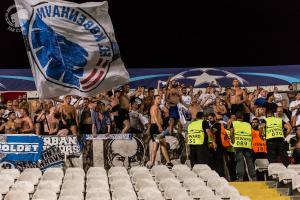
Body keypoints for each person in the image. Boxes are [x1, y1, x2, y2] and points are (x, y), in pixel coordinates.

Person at [147, 95, 173, 169]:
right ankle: (153, 163)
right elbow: (155, 117)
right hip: (156, 127)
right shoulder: (154, 107)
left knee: (160, 145)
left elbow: (166, 112)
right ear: (154, 100)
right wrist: (159, 126)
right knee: (159, 145)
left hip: (157, 127)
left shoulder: (159, 108)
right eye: (158, 99)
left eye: (160, 99)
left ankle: (167, 162)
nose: (160, 100)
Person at [230, 112, 256, 181]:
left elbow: (231, 133)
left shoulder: (234, 123)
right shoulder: (248, 124)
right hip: (247, 144)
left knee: (240, 161)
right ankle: (253, 177)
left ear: (236, 117)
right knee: (249, 161)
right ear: (243, 117)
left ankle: (240, 178)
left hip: (238, 144)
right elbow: (252, 134)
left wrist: (232, 141)